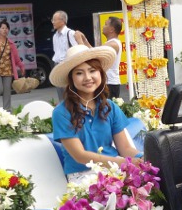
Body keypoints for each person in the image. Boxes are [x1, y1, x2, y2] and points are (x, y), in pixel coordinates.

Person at [49, 44, 142, 183]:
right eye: (79, 73)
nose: (87, 77)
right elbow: (80, 156)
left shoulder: (110, 107)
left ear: (100, 73)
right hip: (82, 176)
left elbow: (125, 148)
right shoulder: (61, 112)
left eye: (92, 70)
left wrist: (142, 158)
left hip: (114, 169)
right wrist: (122, 162)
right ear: (71, 79)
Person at [52, 10, 92, 100]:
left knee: (70, 93)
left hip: (67, 65)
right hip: (57, 65)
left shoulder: (70, 33)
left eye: (54, 20)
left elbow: (78, 50)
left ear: (63, 21)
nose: (53, 22)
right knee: (61, 94)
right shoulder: (55, 36)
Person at [102, 16, 123, 99]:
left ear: (112, 29)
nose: (103, 27)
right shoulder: (111, 43)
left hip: (110, 83)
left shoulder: (113, 44)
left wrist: (81, 41)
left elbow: (93, 53)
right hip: (107, 82)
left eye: (106, 24)